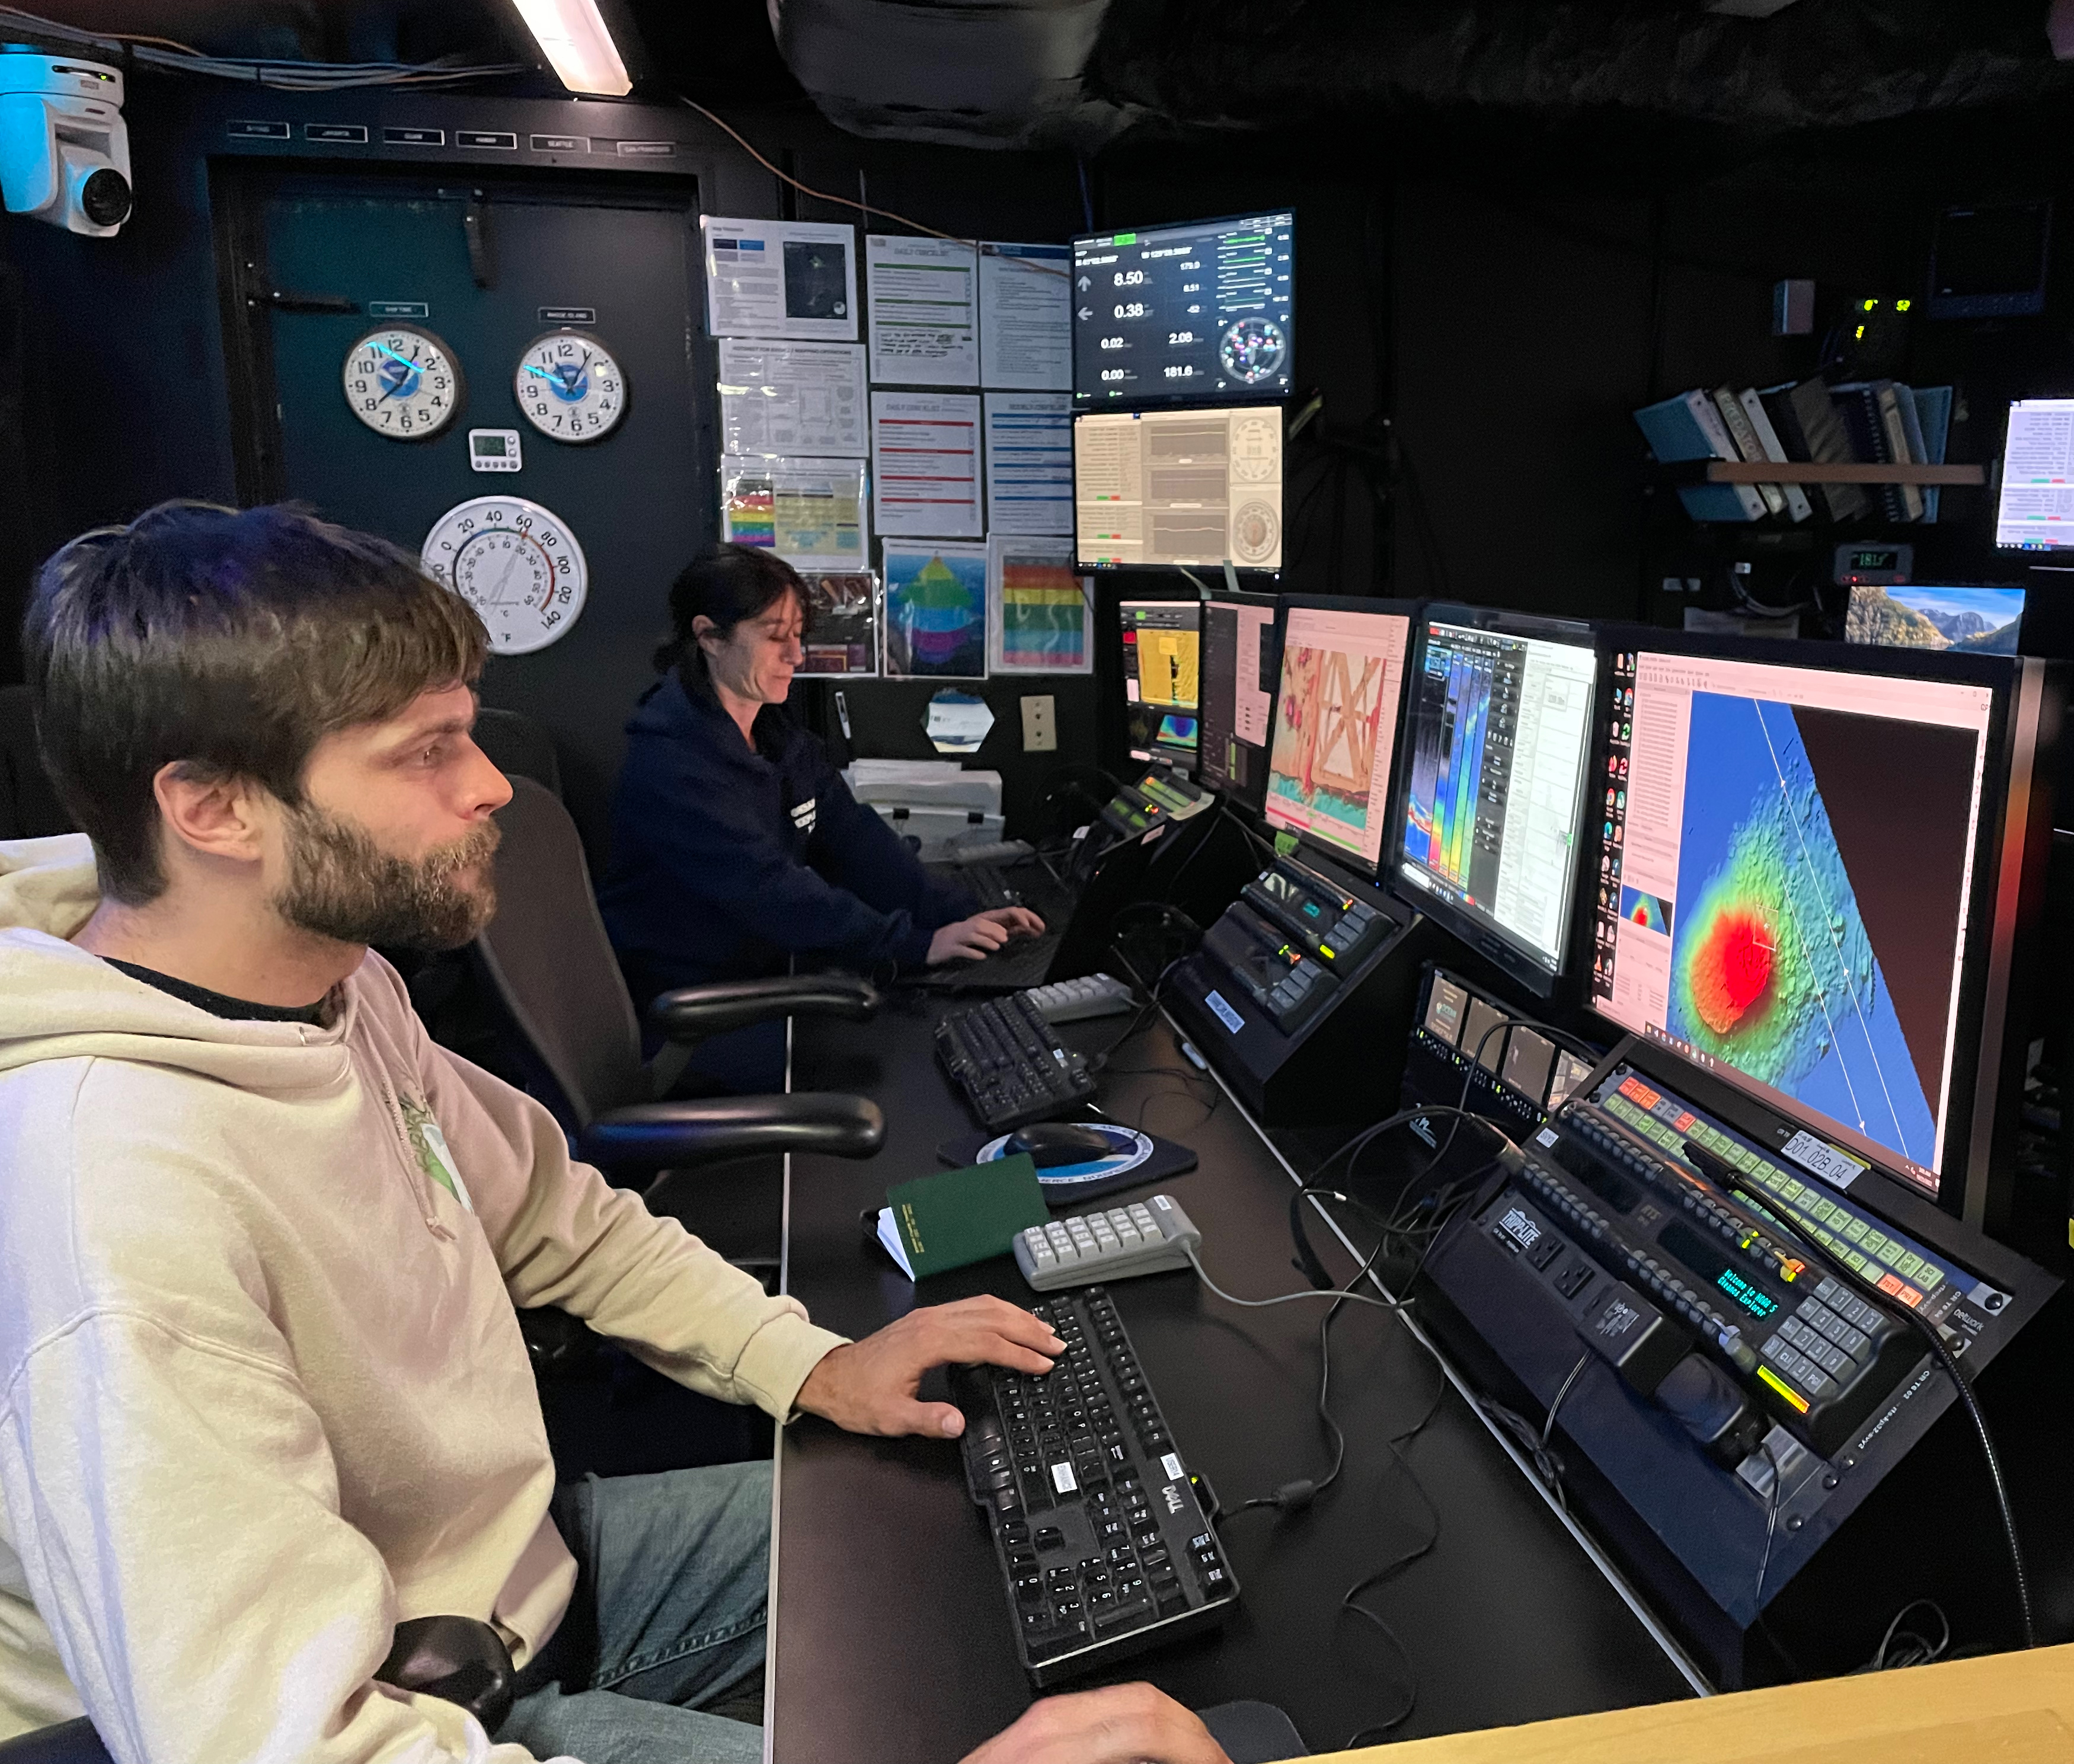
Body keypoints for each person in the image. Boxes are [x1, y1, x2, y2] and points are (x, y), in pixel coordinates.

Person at [0, 501, 1226, 1764]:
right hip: (413, 1710)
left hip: (509, 1580)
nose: (489, 788)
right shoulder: (116, 1195)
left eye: (470, 733)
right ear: (213, 811)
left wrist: (807, 1364)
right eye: (425, 754)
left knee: (972, 1516)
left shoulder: (331, 986)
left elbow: (558, 1218)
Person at [601, 545, 1042, 1089]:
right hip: (692, 1020)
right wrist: (915, 945)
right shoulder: (674, 764)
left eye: (798, 634)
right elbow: (772, 892)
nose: (797, 655)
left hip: (767, 980)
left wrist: (969, 915)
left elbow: (855, 839)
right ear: (710, 637)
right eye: (774, 635)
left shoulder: (774, 736)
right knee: (897, 1077)